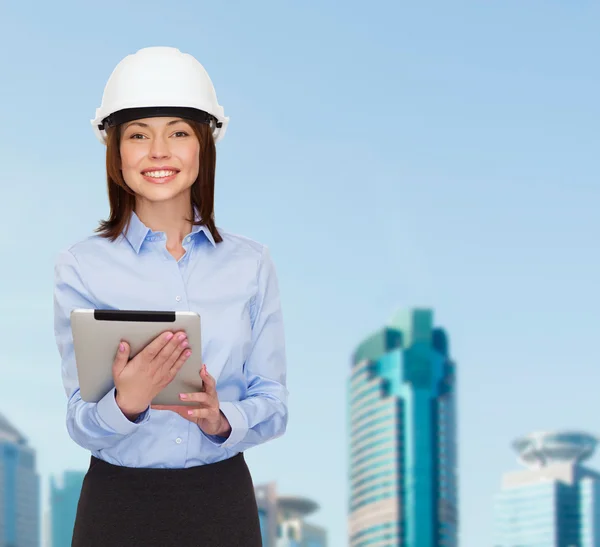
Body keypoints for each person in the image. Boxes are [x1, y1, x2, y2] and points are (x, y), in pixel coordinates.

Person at [53, 46, 288, 547]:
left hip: (221, 504)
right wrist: (126, 404)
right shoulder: (81, 265)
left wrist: (221, 419)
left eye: (178, 132)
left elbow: (273, 401)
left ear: (205, 145)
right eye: (139, 135)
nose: (159, 151)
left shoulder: (251, 264)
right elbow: (80, 419)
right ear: (116, 152)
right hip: (116, 508)